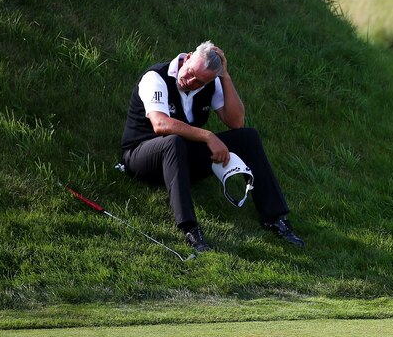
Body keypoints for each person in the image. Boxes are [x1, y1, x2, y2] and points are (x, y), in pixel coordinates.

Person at [120, 41, 304, 251]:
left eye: (199, 82)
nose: (189, 81)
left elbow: (236, 122)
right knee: (173, 141)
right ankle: (189, 229)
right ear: (188, 57)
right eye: (190, 73)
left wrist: (225, 77)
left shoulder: (211, 84)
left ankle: (274, 217)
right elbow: (160, 124)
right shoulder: (156, 77)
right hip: (140, 156)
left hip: (182, 160)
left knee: (248, 137)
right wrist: (208, 136)